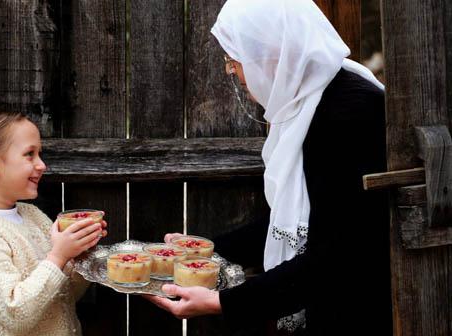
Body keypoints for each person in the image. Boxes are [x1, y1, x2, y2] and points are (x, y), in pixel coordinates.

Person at [145, 0, 391, 334]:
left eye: (235, 57)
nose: (230, 70)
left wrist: (221, 303)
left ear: (275, 52)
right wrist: (207, 251)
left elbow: (337, 255)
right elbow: (292, 224)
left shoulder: (348, 115)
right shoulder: (308, 102)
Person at [0, 109, 107, 336]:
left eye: (40, 153)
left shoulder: (32, 215)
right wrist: (58, 256)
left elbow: (63, 295)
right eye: (30, 154)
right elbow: (16, 315)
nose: (42, 165)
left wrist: (79, 254)